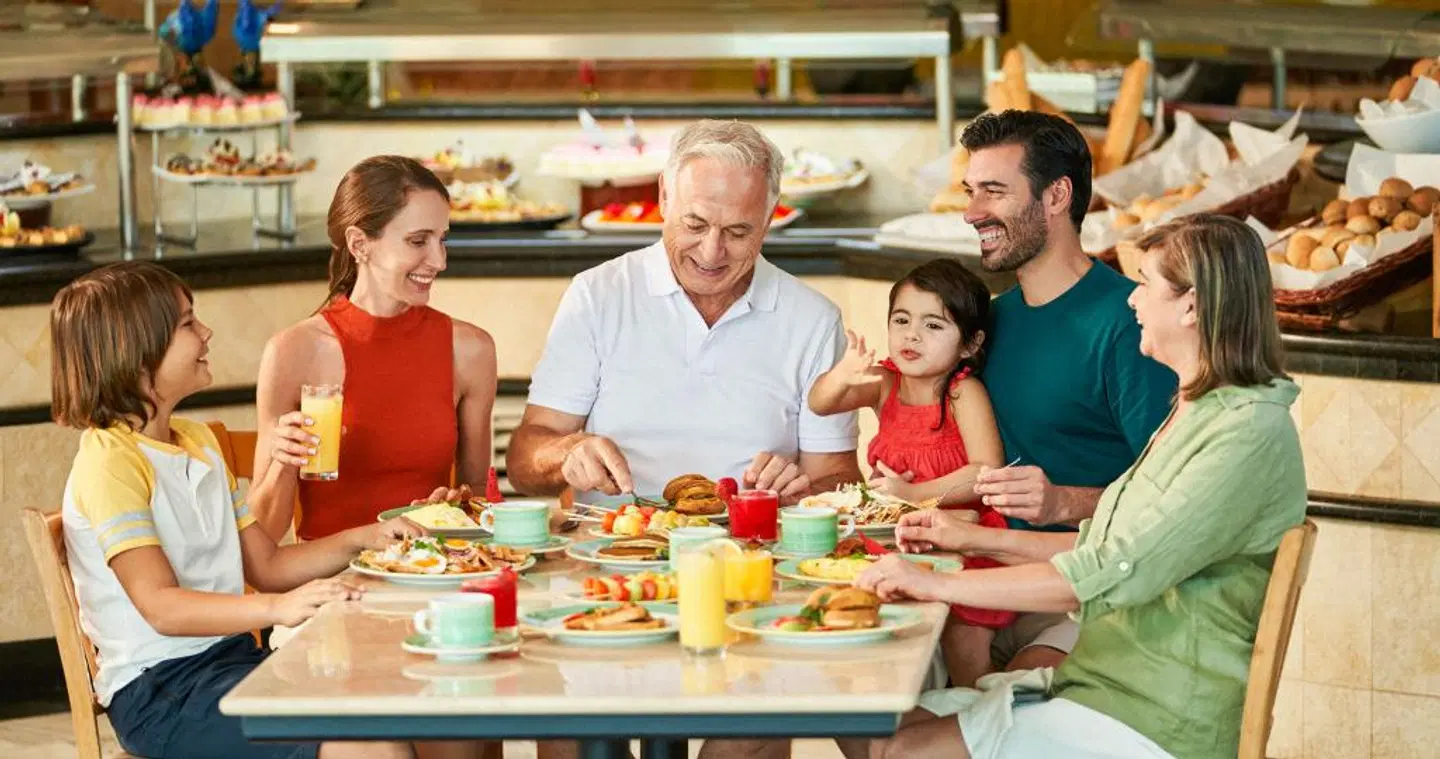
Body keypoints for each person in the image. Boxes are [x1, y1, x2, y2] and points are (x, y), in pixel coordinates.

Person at [845, 214, 1307, 759]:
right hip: (1103, 682)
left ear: (1191, 306)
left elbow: (1098, 576)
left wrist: (935, 585)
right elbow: (1102, 545)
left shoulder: (1243, 433)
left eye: (1146, 285)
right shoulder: (1197, 411)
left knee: (897, 749)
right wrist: (969, 540)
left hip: (1155, 713)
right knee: (868, 724)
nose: (1131, 301)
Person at [52, 261, 423, 759]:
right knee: (365, 745)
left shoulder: (198, 443)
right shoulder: (110, 464)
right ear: (136, 353)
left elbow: (267, 567)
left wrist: (364, 539)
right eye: (187, 324)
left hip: (232, 662)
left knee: (389, 702)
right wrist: (278, 608)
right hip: (163, 693)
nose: (205, 332)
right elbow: (160, 605)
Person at [507, 119, 862, 506]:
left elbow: (837, 478)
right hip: (615, 550)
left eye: (738, 232)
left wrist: (802, 490)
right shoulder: (598, 295)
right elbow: (525, 463)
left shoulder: (814, 321)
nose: (711, 252)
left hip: (754, 553)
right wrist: (566, 454)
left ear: (770, 216)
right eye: (695, 224)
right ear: (663, 196)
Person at [956, 110, 1177, 676]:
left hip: (1090, 599)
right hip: (985, 585)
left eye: (994, 192)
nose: (972, 212)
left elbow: (1168, 506)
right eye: (970, 191)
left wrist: (1061, 502)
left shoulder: (1131, 324)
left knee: (998, 710)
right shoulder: (987, 323)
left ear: (1056, 196)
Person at [252, 156, 499, 541]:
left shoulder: (471, 351)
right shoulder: (293, 352)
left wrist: (456, 505)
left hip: (426, 575)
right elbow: (264, 534)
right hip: (330, 585)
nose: (439, 260)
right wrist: (283, 463)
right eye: (418, 241)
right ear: (359, 244)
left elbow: (479, 501)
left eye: (442, 240)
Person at [807, 258, 1013, 686]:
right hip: (896, 542)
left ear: (970, 344)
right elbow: (821, 403)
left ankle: (978, 723)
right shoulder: (887, 383)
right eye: (901, 320)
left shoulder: (961, 392)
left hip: (963, 542)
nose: (912, 335)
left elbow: (985, 470)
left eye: (934, 326)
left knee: (964, 639)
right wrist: (843, 373)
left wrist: (916, 494)